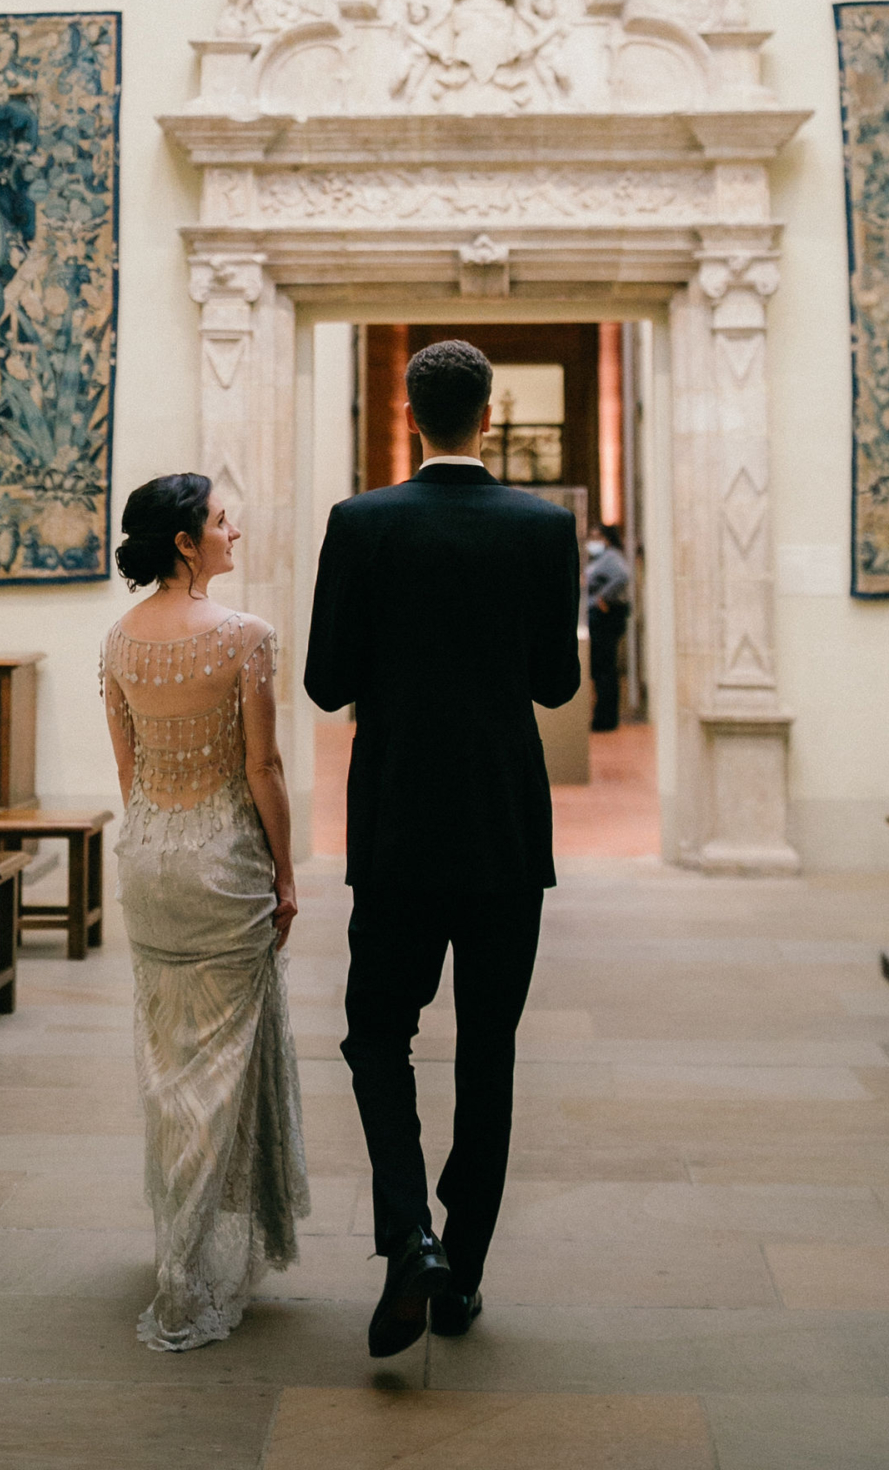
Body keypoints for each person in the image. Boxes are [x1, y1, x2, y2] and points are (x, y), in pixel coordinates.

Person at [305, 340, 580, 1356]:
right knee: (490, 1047)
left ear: (410, 413)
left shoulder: (362, 523)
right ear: (489, 413)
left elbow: (327, 681)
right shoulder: (545, 528)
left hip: (397, 822)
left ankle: (406, 1233)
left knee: (377, 1031)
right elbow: (555, 684)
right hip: (505, 824)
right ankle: (460, 1272)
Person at [101, 474, 310, 1351]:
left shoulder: (117, 640)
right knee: (226, 1064)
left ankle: (178, 1242)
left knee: (169, 1060)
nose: (237, 532)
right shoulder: (244, 638)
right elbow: (263, 771)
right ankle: (191, 1260)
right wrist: (287, 873)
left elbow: (129, 771)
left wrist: (157, 835)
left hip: (149, 863)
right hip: (223, 866)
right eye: (223, 521)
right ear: (186, 542)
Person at [585, 520, 632, 733]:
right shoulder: (600, 558)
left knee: (605, 668)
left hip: (606, 619)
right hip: (599, 617)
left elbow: (622, 576)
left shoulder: (611, 557)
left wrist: (603, 598)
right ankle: (603, 715)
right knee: (602, 669)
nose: (592, 542)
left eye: (596, 537)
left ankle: (606, 718)